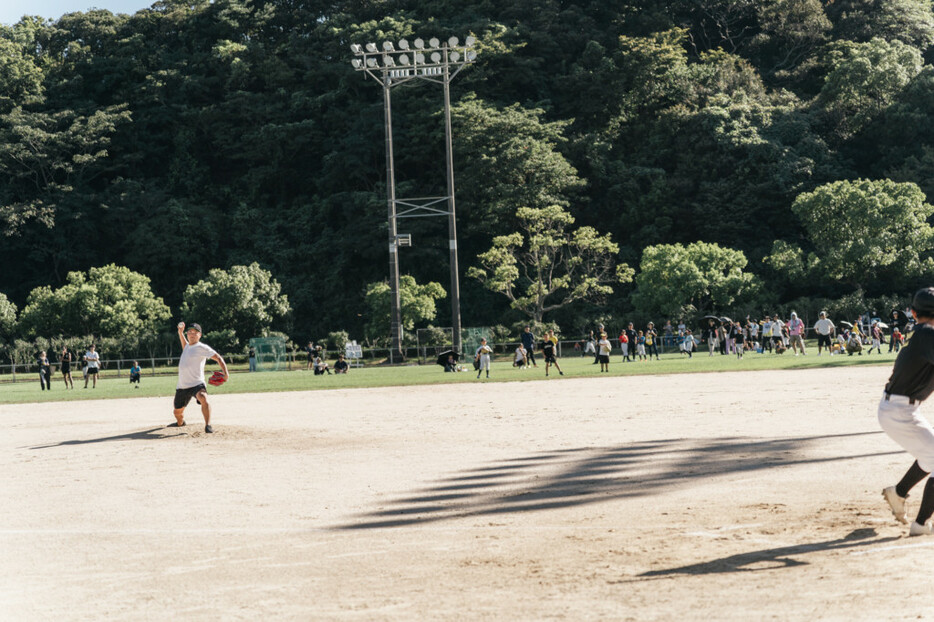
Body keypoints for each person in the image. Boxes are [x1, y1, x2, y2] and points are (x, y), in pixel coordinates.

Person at [879, 287, 934, 536]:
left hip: (897, 409)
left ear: (913, 312)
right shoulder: (927, 334)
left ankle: (898, 493)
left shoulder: (921, 333)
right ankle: (921, 525)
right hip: (900, 411)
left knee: (929, 456)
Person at [171, 322, 228, 434]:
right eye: (190, 332)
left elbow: (218, 358)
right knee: (177, 412)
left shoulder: (202, 347)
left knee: (204, 399)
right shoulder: (187, 346)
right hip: (182, 386)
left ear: (200, 335)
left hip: (197, 383)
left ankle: (208, 425)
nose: (192, 334)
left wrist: (226, 373)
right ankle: (180, 423)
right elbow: (184, 345)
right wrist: (180, 332)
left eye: (195, 332)